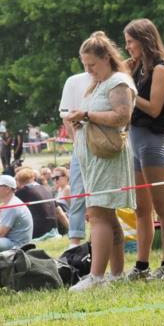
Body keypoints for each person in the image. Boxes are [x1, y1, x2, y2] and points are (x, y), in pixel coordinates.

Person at [64, 32, 137, 292]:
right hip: (94, 160)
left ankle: (97, 276)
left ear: (106, 58)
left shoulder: (118, 81)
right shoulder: (97, 83)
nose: (88, 70)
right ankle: (116, 274)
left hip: (108, 158)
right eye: (85, 65)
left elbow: (121, 116)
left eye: (92, 64)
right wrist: (81, 118)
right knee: (105, 213)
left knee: (97, 213)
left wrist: (87, 114)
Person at [122, 19, 164, 280]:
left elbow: (155, 108)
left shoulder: (160, 69)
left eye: (131, 41)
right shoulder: (137, 70)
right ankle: (142, 264)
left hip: (154, 141)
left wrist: (131, 93)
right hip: (135, 140)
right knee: (141, 208)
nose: (127, 46)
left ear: (144, 40)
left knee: (162, 205)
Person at [59, 68, 93, 247]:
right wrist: (76, 141)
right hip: (81, 147)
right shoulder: (74, 81)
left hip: (105, 146)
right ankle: (74, 242)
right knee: (78, 192)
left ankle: (99, 237)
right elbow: (66, 116)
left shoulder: (113, 78)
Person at [14, 167, 58, 240]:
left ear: (18, 182)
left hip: (38, 231)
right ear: (33, 178)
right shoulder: (46, 189)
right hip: (53, 229)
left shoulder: (22, 192)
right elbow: (59, 211)